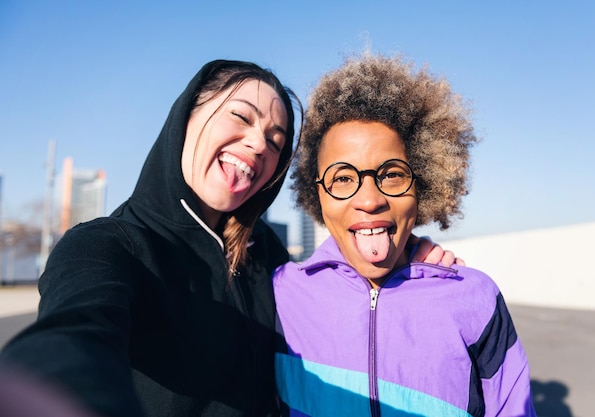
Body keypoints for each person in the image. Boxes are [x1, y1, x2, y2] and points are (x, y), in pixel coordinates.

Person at [0, 59, 459, 417]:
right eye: (241, 116)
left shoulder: (267, 251)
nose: (259, 144)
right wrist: (46, 391)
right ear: (187, 114)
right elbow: (77, 333)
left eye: (276, 140)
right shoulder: (107, 247)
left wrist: (401, 254)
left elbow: (334, 284)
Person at [274, 54, 537, 417]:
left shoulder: (476, 298)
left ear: (423, 182)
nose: (369, 200)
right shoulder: (281, 295)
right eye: (343, 178)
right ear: (316, 193)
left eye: (392, 174)